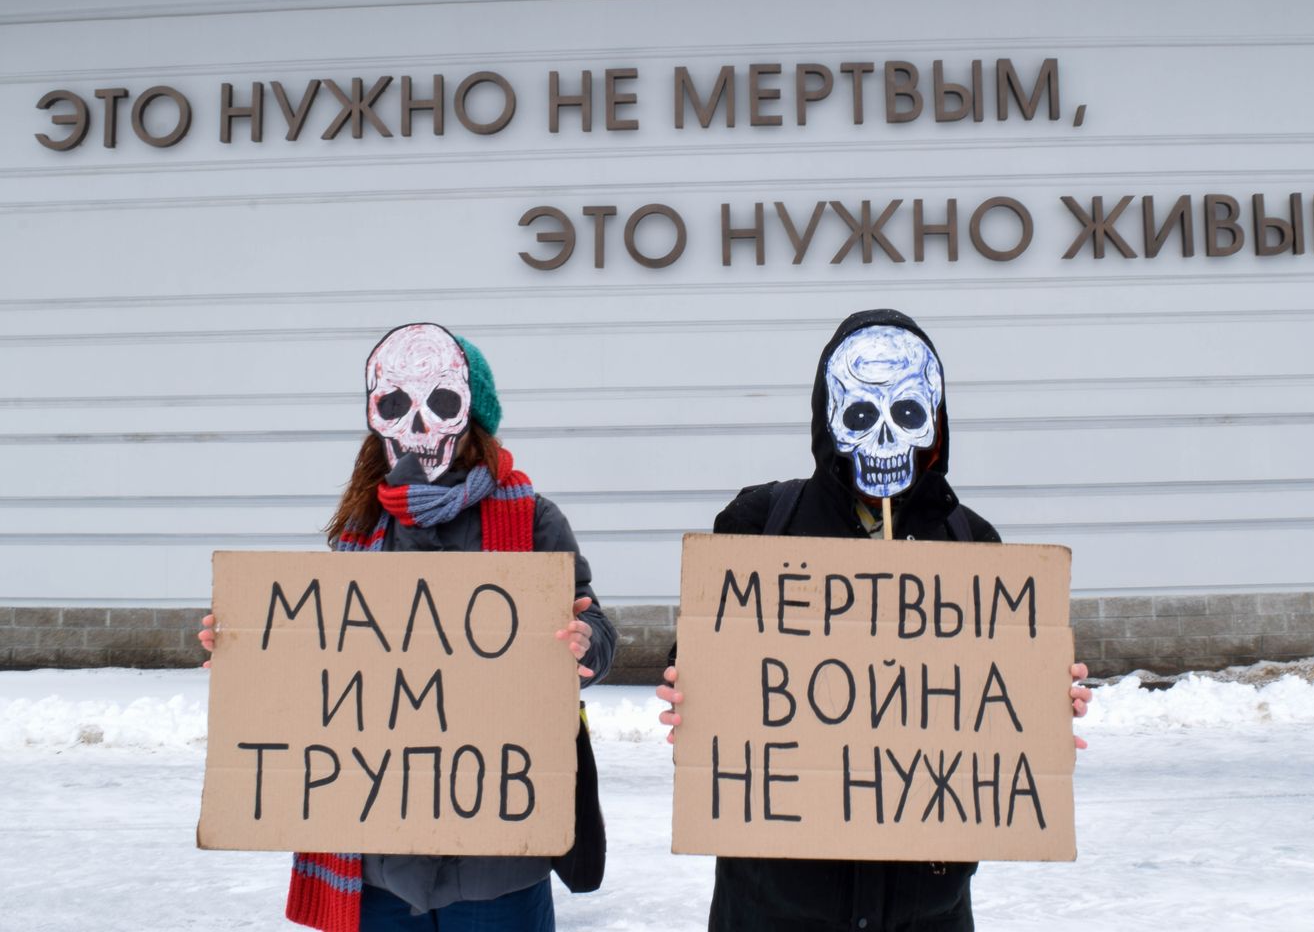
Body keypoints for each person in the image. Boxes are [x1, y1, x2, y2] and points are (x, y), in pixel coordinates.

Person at [656, 308, 1092, 932]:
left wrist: (1043, 702)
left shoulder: (974, 547)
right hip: (776, 904)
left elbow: (993, 698)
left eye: (908, 414)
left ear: (935, 421)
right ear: (828, 419)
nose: (885, 441)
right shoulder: (759, 525)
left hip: (924, 908)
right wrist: (691, 691)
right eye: (860, 416)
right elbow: (708, 654)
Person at [201, 322, 615, 932]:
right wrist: (250, 652)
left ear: (471, 417)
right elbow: (330, 661)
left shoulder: (532, 520)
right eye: (396, 404)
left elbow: (595, 625)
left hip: (499, 859)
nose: (419, 426)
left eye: (440, 403)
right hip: (380, 861)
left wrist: (586, 645)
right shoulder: (361, 526)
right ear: (377, 418)